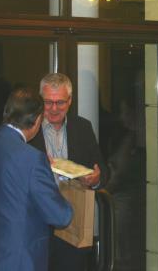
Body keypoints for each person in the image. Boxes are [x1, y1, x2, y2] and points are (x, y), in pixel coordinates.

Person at [0, 87, 73, 271]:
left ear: (7, 112)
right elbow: (60, 216)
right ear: (38, 120)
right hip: (20, 261)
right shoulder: (33, 159)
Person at [29, 72, 109, 271]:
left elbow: (102, 171)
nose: (54, 109)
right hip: (36, 224)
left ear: (70, 101)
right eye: (48, 102)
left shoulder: (82, 127)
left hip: (72, 222)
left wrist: (95, 179)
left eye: (60, 102)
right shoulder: (29, 129)